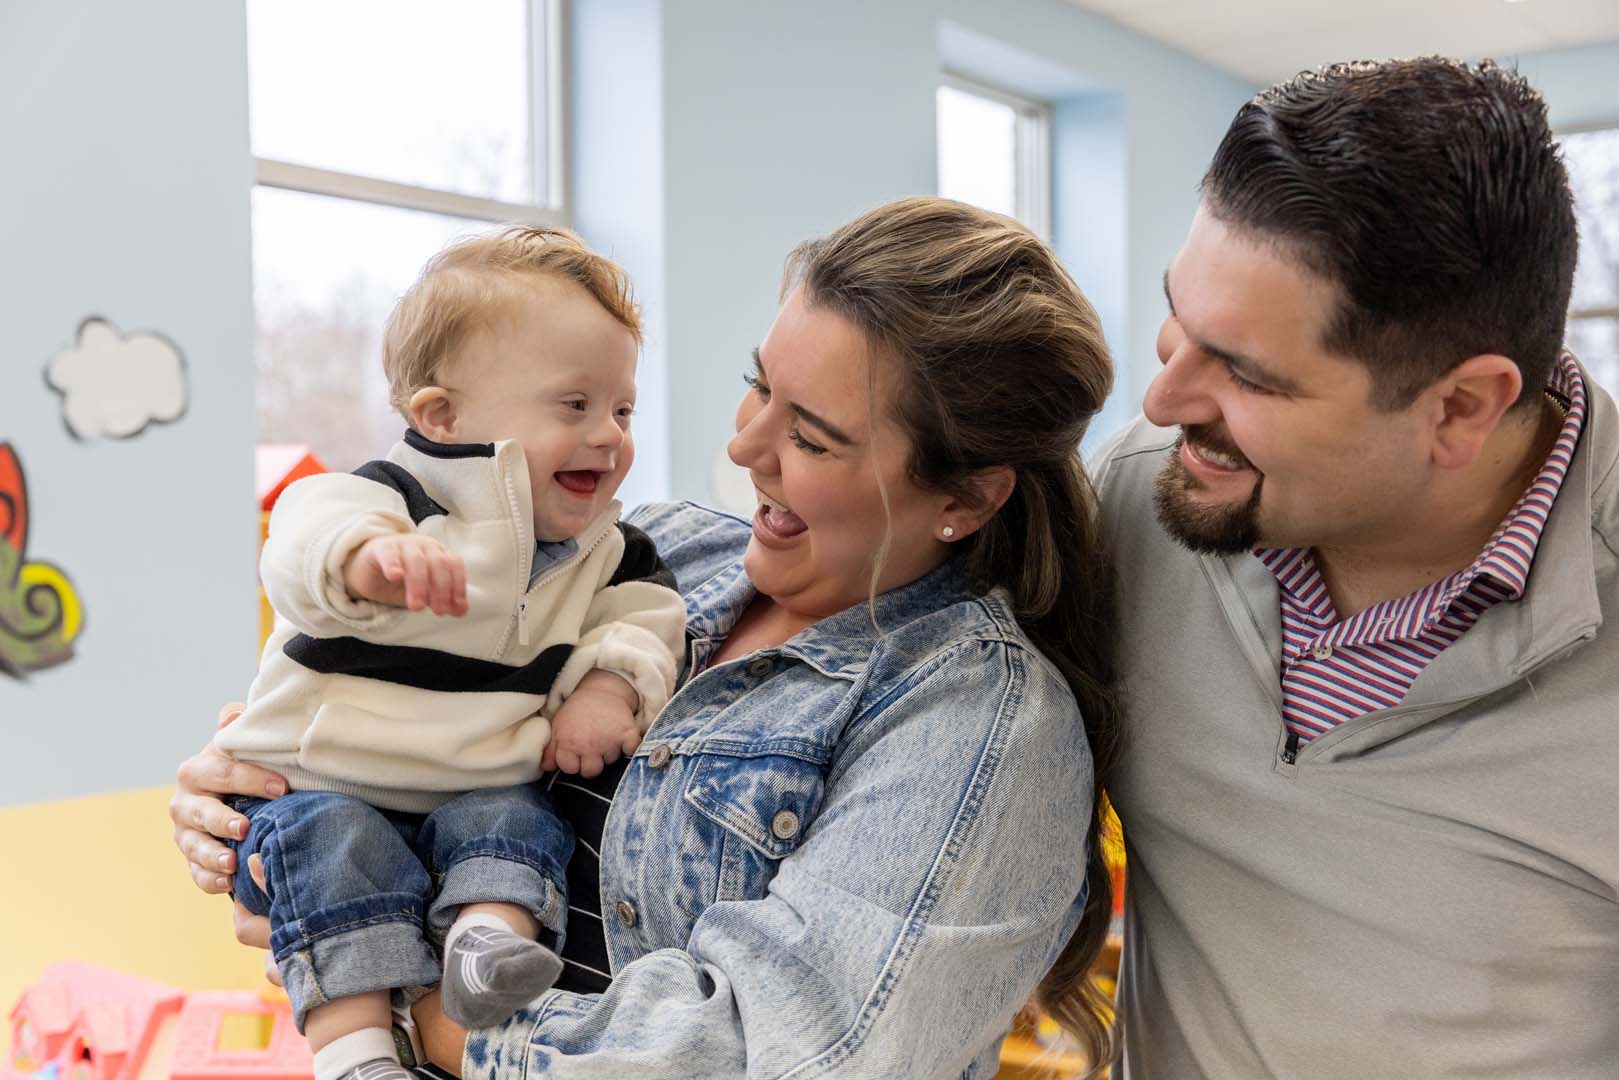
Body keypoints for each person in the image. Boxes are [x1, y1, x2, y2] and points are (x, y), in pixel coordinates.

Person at [171, 197, 1124, 1078]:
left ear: (962, 496)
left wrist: (397, 998)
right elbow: (402, 709)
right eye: (758, 387)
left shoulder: (980, 720)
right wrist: (251, 798)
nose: (745, 447)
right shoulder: (649, 548)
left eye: (813, 436)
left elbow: (777, 1051)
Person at [1095, 58, 1619, 1077]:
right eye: (1178, 321)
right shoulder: (1141, 493)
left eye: (1244, 372)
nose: (1161, 401)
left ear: (1461, 406)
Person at [213, 227, 687, 1080]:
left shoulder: (608, 550)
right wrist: (364, 560)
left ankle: (484, 950)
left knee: (513, 817)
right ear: (442, 416)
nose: (609, 437)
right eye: (573, 406)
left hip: (470, 785)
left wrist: (608, 687)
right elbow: (299, 541)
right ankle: (357, 1058)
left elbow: (644, 620)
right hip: (324, 784)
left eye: (622, 408)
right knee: (335, 850)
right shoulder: (385, 504)